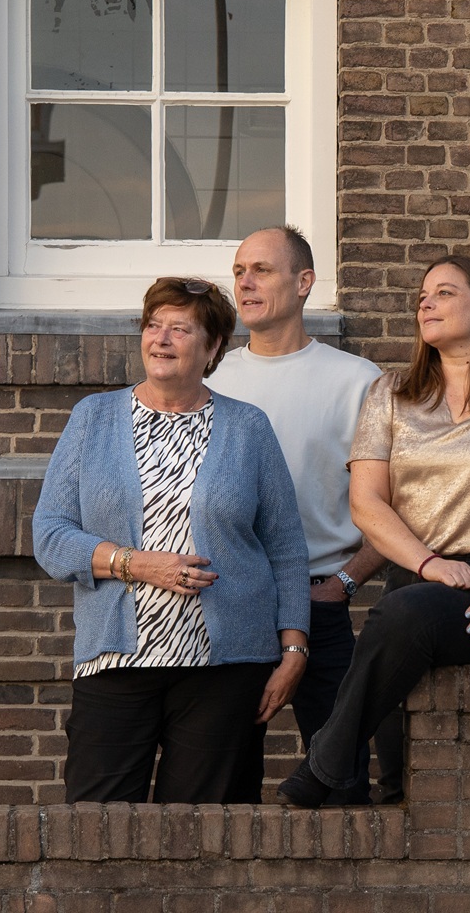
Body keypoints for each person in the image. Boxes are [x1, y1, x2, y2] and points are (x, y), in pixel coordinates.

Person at [275, 255, 470, 807]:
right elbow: (367, 504)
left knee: (403, 616)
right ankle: (363, 785)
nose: (425, 303)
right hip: (417, 583)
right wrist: (429, 564)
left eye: (444, 293)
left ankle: (326, 768)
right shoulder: (391, 395)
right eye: (422, 295)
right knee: (404, 627)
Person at [33, 277, 311, 803]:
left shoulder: (248, 427)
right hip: (116, 661)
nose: (161, 338)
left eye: (180, 329)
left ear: (212, 347)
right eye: (153, 325)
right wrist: (138, 565)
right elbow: (50, 534)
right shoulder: (93, 419)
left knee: (208, 829)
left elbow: (286, 549)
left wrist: (294, 648)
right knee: (99, 823)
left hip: (225, 668)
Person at [206, 226, 386, 804]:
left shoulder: (357, 381)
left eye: (261, 269)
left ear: (304, 282)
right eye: (239, 272)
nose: (245, 283)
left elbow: (398, 506)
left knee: (341, 785)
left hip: (319, 599)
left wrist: (345, 582)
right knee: (222, 788)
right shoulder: (211, 379)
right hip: (228, 603)